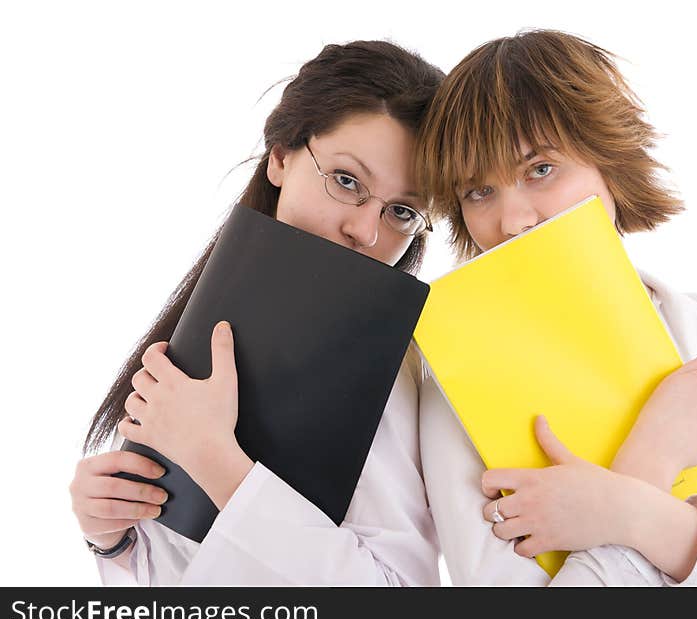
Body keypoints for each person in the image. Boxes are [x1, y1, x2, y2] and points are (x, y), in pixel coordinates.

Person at [414, 29, 697, 585]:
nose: (513, 221)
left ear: (608, 163)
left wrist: (622, 512)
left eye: (540, 169)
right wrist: (651, 460)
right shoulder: (453, 389)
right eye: (479, 191)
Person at [69, 40, 446, 586]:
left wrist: (216, 461)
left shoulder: (389, 371)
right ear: (280, 156)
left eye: (403, 211)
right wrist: (114, 538)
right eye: (346, 181)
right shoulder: (215, 312)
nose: (366, 231)